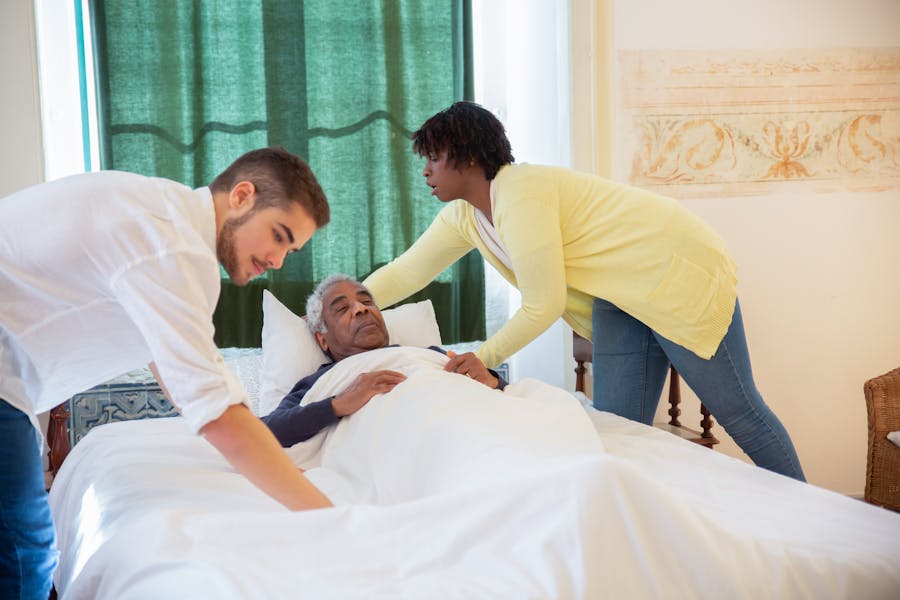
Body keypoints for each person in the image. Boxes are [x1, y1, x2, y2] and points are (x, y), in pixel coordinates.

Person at [361, 101, 805, 482]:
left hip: (675, 275)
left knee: (740, 412)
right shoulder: (466, 217)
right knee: (618, 431)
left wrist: (484, 357)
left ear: (467, 158)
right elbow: (407, 272)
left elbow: (544, 304)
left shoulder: (521, 193)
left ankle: (813, 516)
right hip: (618, 299)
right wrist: (340, 305)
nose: (425, 170)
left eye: (434, 158)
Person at [0, 146, 334, 599]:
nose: (277, 260)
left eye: (289, 250)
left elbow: (183, 379)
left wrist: (244, 449)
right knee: (26, 551)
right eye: (278, 235)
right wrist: (330, 519)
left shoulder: (161, 219)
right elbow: (215, 409)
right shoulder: (171, 245)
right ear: (241, 196)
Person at [263, 274, 507, 447]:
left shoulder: (429, 355)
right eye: (342, 309)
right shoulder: (320, 382)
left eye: (367, 301)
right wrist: (339, 404)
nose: (361, 308)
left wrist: (491, 380)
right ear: (323, 339)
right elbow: (266, 431)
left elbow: (506, 396)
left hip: (475, 429)